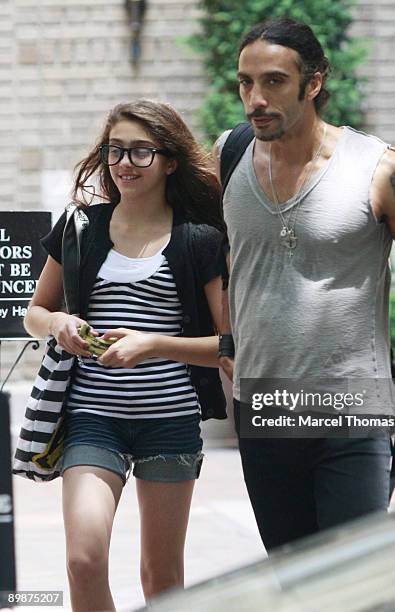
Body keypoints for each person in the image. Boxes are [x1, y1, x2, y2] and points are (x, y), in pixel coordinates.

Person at [213, 18, 395, 551]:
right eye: (245, 82)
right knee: (295, 582)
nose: (255, 99)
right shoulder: (228, 156)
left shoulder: (380, 170)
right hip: (265, 408)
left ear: (313, 82)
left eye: (274, 81)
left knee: (354, 581)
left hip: (357, 409)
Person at [24, 99, 226, 611]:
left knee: (162, 578)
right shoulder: (79, 229)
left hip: (170, 420)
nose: (124, 164)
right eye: (116, 151)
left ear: (170, 161)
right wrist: (60, 322)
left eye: (141, 152)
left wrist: (153, 344)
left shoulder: (198, 240)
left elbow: (231, 347)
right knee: (83, 561)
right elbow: (35, 314)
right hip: (93, 418)